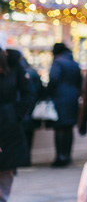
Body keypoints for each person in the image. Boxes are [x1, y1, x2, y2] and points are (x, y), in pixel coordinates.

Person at [0, 35, 34, 202]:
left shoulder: (14, 65)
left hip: (8, 124)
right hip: (9, 120)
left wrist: (16, 114)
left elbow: (28, 93)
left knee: (6, 168)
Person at [47, 42, 82, 167]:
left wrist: (47, 92)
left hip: (60, 98)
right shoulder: (74, 62)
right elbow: (80, 82)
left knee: (60, 128)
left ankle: (60, 157)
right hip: (72, 98)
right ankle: (67, 155)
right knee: (68, 128)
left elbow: (53, 79)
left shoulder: (58, 62)